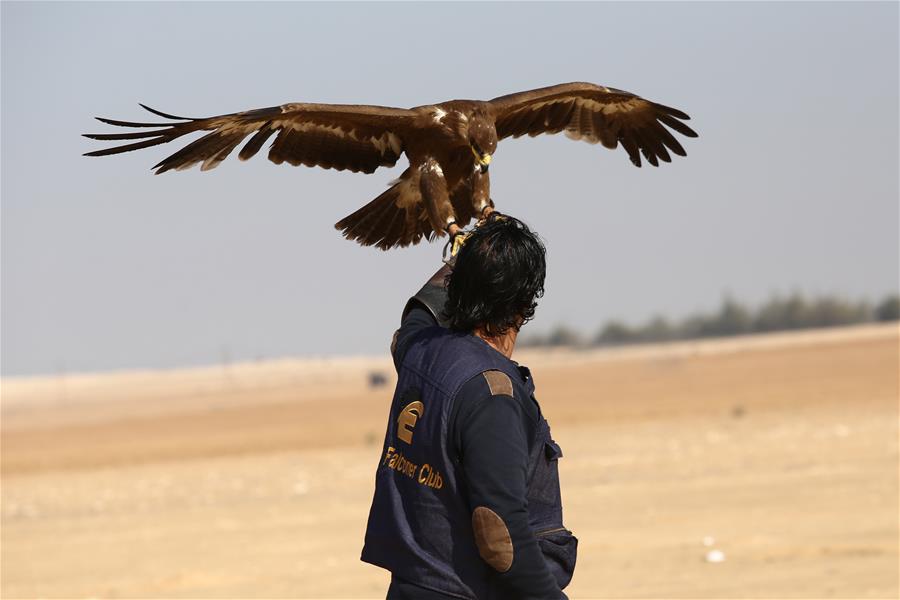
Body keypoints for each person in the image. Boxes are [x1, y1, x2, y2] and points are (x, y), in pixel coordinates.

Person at [361, 214, 577, 600]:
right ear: (523, 306)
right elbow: (500, 534)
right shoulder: (492, 395)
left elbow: (418, 311)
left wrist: (467, 252)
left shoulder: (419, 352)